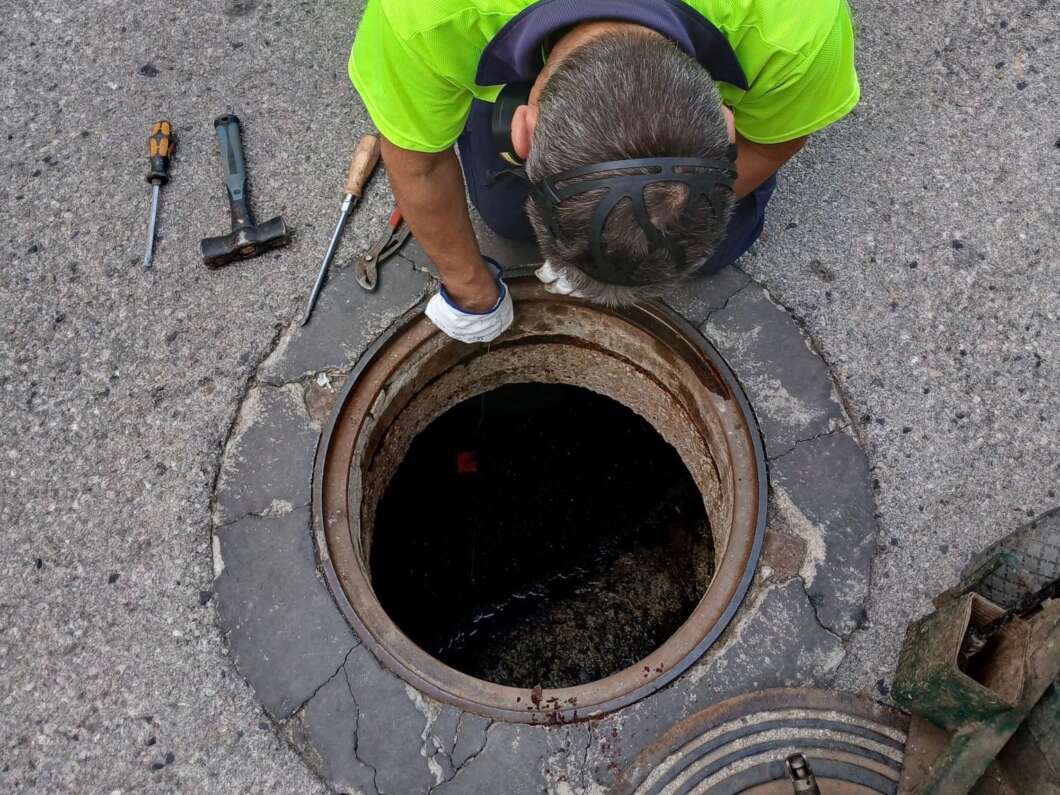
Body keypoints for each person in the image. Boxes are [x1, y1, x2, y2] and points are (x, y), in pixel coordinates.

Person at [349, 0, 859, 343]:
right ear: (521, 129)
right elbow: (419, 162)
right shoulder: (423, 18)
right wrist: (469, 289)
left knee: (711, 247)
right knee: (507, 216)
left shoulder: (799, 30)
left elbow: (771, 144)